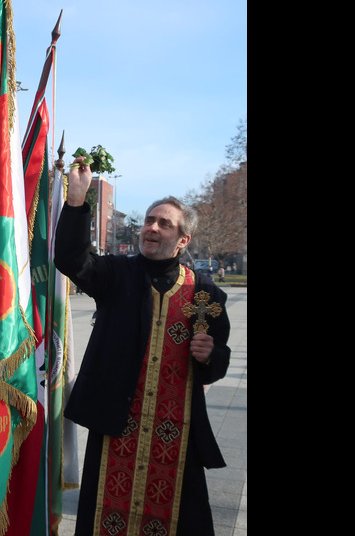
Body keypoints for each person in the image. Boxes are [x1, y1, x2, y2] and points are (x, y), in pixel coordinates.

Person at [53, 159, 231, 536]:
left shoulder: (206, 294)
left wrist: (209, 355)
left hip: (176, 433)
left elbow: (218, 362)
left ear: (182, 240)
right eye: (149, 220)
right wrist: (78, 197)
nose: (151, 227)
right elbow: (70, 259)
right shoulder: (116, 274)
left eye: (164, 223)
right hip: (118, 424)